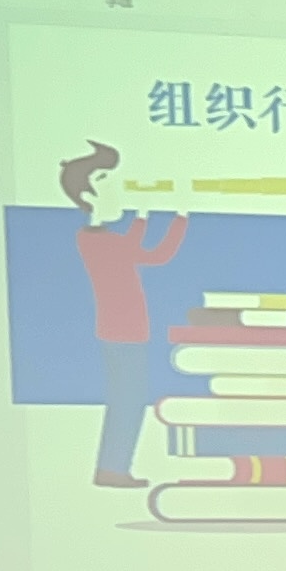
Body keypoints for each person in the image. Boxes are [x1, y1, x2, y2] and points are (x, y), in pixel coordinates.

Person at [64, 140, 184, 489]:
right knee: (127, 402)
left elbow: (138, 249)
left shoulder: (97, 239)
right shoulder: (95, 240)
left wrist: (149, 217)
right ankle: (112, 469)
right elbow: (152, 254)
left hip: (125, 331)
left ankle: (113, 468)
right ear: (88, 196)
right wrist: (175, 217)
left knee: (126, 401)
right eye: (105, 181)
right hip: (123, 332)